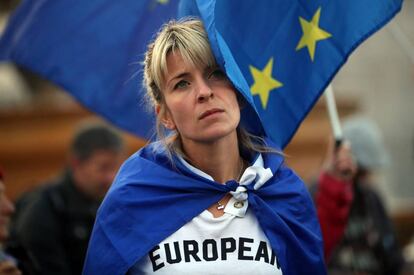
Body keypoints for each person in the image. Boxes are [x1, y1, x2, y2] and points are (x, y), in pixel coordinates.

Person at [83, 19, 326, 275]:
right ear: (165, 115)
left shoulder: (285, 193)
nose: (204, 92)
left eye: (216, 74)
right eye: (182, 83)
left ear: (238, 92)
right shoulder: (131, 198)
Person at [8, 121, 125, 275]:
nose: (111, 177)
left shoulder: (106, 201)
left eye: (117, 167)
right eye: (103, 168)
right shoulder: (42, 211)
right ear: (76, 163)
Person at [315, 116, 405, 274]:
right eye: (362, 171)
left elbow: (392, 255)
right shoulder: (317, 195)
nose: (366, 177)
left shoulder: (371, 198)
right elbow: (314, 256)